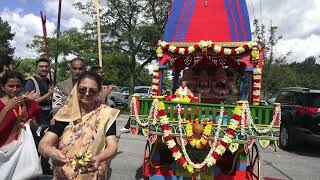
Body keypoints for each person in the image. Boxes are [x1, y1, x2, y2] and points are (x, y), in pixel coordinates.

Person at [39, 71, 119, 179]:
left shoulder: (106, 114)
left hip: (92, 172)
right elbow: (44, 143)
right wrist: (52, 152)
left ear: (99, 92)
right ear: (76, 90)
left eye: (92, 90)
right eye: (82, 89)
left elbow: (112, 145)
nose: (87, 93)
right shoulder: (65, 114)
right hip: (64, 174)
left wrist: (98, 158)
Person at [0, 71, 43, 179]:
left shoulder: (28, 103)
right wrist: (6, 109)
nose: (15, 89)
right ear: (2, 87)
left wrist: (30, 124)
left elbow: (36, 126)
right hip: (3, 152)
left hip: (22, 152)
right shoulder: (1, 104)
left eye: (18, 86)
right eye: (10, 86)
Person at [24, 58, 54, 174]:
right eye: (41, 66)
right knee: (36, 144)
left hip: (48, 117)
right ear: (37, 68)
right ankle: (34, 170)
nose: (44, 69)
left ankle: (45, 168)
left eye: (46, 66)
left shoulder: (48, 81)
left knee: (46, 143)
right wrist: (48, 94)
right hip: (36, 119)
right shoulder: (31, 82)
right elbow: (31, 101)